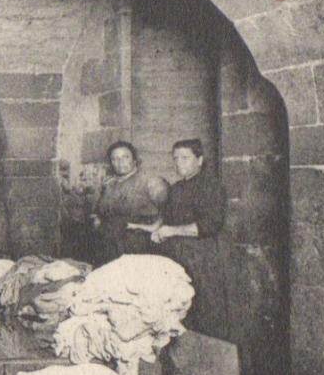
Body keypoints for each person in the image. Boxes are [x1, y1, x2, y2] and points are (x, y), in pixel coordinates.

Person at [147, 139, 231, 343]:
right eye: (175, 159)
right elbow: (166, 220)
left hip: (203, 257)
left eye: (185, 158)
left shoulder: (211, 186)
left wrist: (171, 231)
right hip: (178, 256)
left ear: (199, 160)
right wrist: (155, 231)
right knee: (178, 309)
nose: (179, 163)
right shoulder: (176, 188)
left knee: (203, 308)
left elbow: (209, 226)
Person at [90, 141, 169, 264]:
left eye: (125, 157)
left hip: (136, 245)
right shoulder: (108, 184)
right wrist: (98, 222)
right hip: (106, 245)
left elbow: (171, 209)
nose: (120, 162)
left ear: (134, 160)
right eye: (114, 159)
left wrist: (152, 227)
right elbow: (97, 211)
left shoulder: (151, 182)